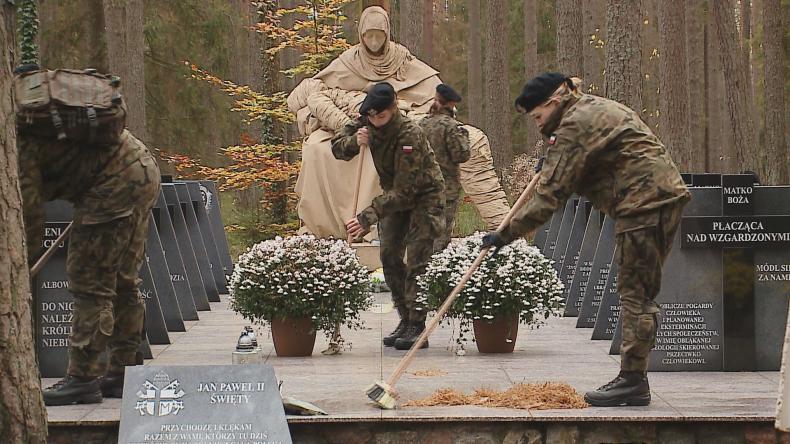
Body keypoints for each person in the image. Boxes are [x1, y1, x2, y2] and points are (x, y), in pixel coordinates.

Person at [482, 72, 690, 407]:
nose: (537, 125)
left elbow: (550, 197)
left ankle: (632, 381)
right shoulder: (589, 108)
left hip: (643, 203)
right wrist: (553, 161)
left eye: (538, 116)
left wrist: (503, 235)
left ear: (553, 102)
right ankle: (633, 378)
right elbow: (591, 163)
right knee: (639, 292)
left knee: (636, 294)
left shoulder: (575, 125)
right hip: (655, 198)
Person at [287, 5, 509, 239]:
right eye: (368, 36)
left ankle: (503, 228)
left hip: (410, 121)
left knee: (472, 142)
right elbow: (311, 99)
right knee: (318, 149)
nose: (373, 41)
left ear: (387, 35)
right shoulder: (346, 66)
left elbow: (432, 95)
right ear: (361, 36)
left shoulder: (402, 60)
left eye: (379, 35)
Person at [20, 124, 160, 405]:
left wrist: (22, 266)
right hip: (141, 168)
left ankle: (82, 379)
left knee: (90, 282)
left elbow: (28, 217)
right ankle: (124, 372)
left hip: (113, 184)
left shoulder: (16, 146)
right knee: (123, 280)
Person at [331, 83, 445, 350]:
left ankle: (417, 325)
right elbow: (337, 148)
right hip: (393, 197)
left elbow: (406, 192)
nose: (375, 122)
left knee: (418, 259)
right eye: (371, 117)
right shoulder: (366, 121)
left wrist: (366, 218)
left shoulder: (410, 134)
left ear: (393, 109)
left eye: (380, 116)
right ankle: (404, 319)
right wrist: (353, 141)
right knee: (389, 256)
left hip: (423, 197)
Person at [419, 83, 470, 250]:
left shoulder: (422, 124)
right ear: (452, 104)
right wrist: (464, 137)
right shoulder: (451, 127)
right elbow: (461, 155)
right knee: (441, 235)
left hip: (423, 187)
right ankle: (434, 271)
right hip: (445, 188)